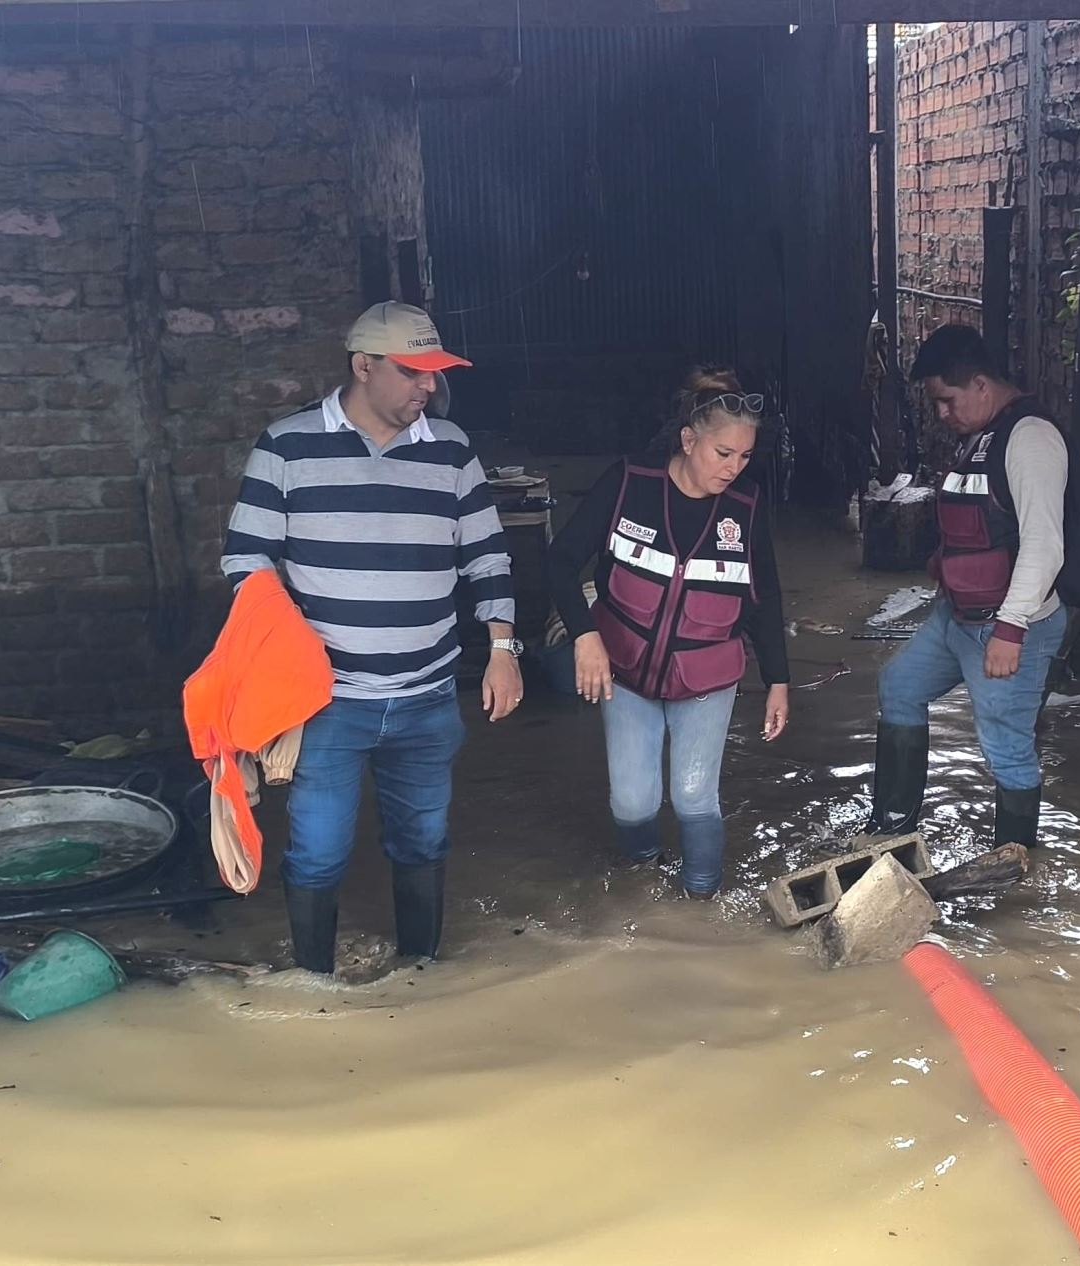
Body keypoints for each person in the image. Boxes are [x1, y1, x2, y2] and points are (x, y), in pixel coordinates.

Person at [220, 301, 523, 973]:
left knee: (424, 840)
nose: (427, 388)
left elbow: (488, 556)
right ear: (363, 366)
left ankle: (421, 974)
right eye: (413, 373)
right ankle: (314, 986)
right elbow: (246, 561)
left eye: (434, 375)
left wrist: (503, 648)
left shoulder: (451, 450)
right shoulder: (287, 446)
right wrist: (281, 652)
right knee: (317, 849)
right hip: (326, 702)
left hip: (427, 696)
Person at [547, 368, 791, 899]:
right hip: (627, 671)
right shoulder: (630, 483)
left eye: (745, 457)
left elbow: (763, 598)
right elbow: (560, 562)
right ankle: (646, 878)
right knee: (631, 803)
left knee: (693, 796)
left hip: (706, 677)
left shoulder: (745, 510)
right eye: (722, 453)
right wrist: (585, 635)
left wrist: (779, 680)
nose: (733, 468)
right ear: (688, 439)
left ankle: (701, 903)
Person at [869, 324, 1068, 861]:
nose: (941, 414)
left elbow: (1045, 546)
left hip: (1009, 627)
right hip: (959, 617)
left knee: (1006, 746)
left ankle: (1013, 867)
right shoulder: (981, 436)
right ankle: (890, 832)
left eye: (946, 401)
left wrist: (1011, 628)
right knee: (900, 686)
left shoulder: (1030, 440)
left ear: (981, 385)